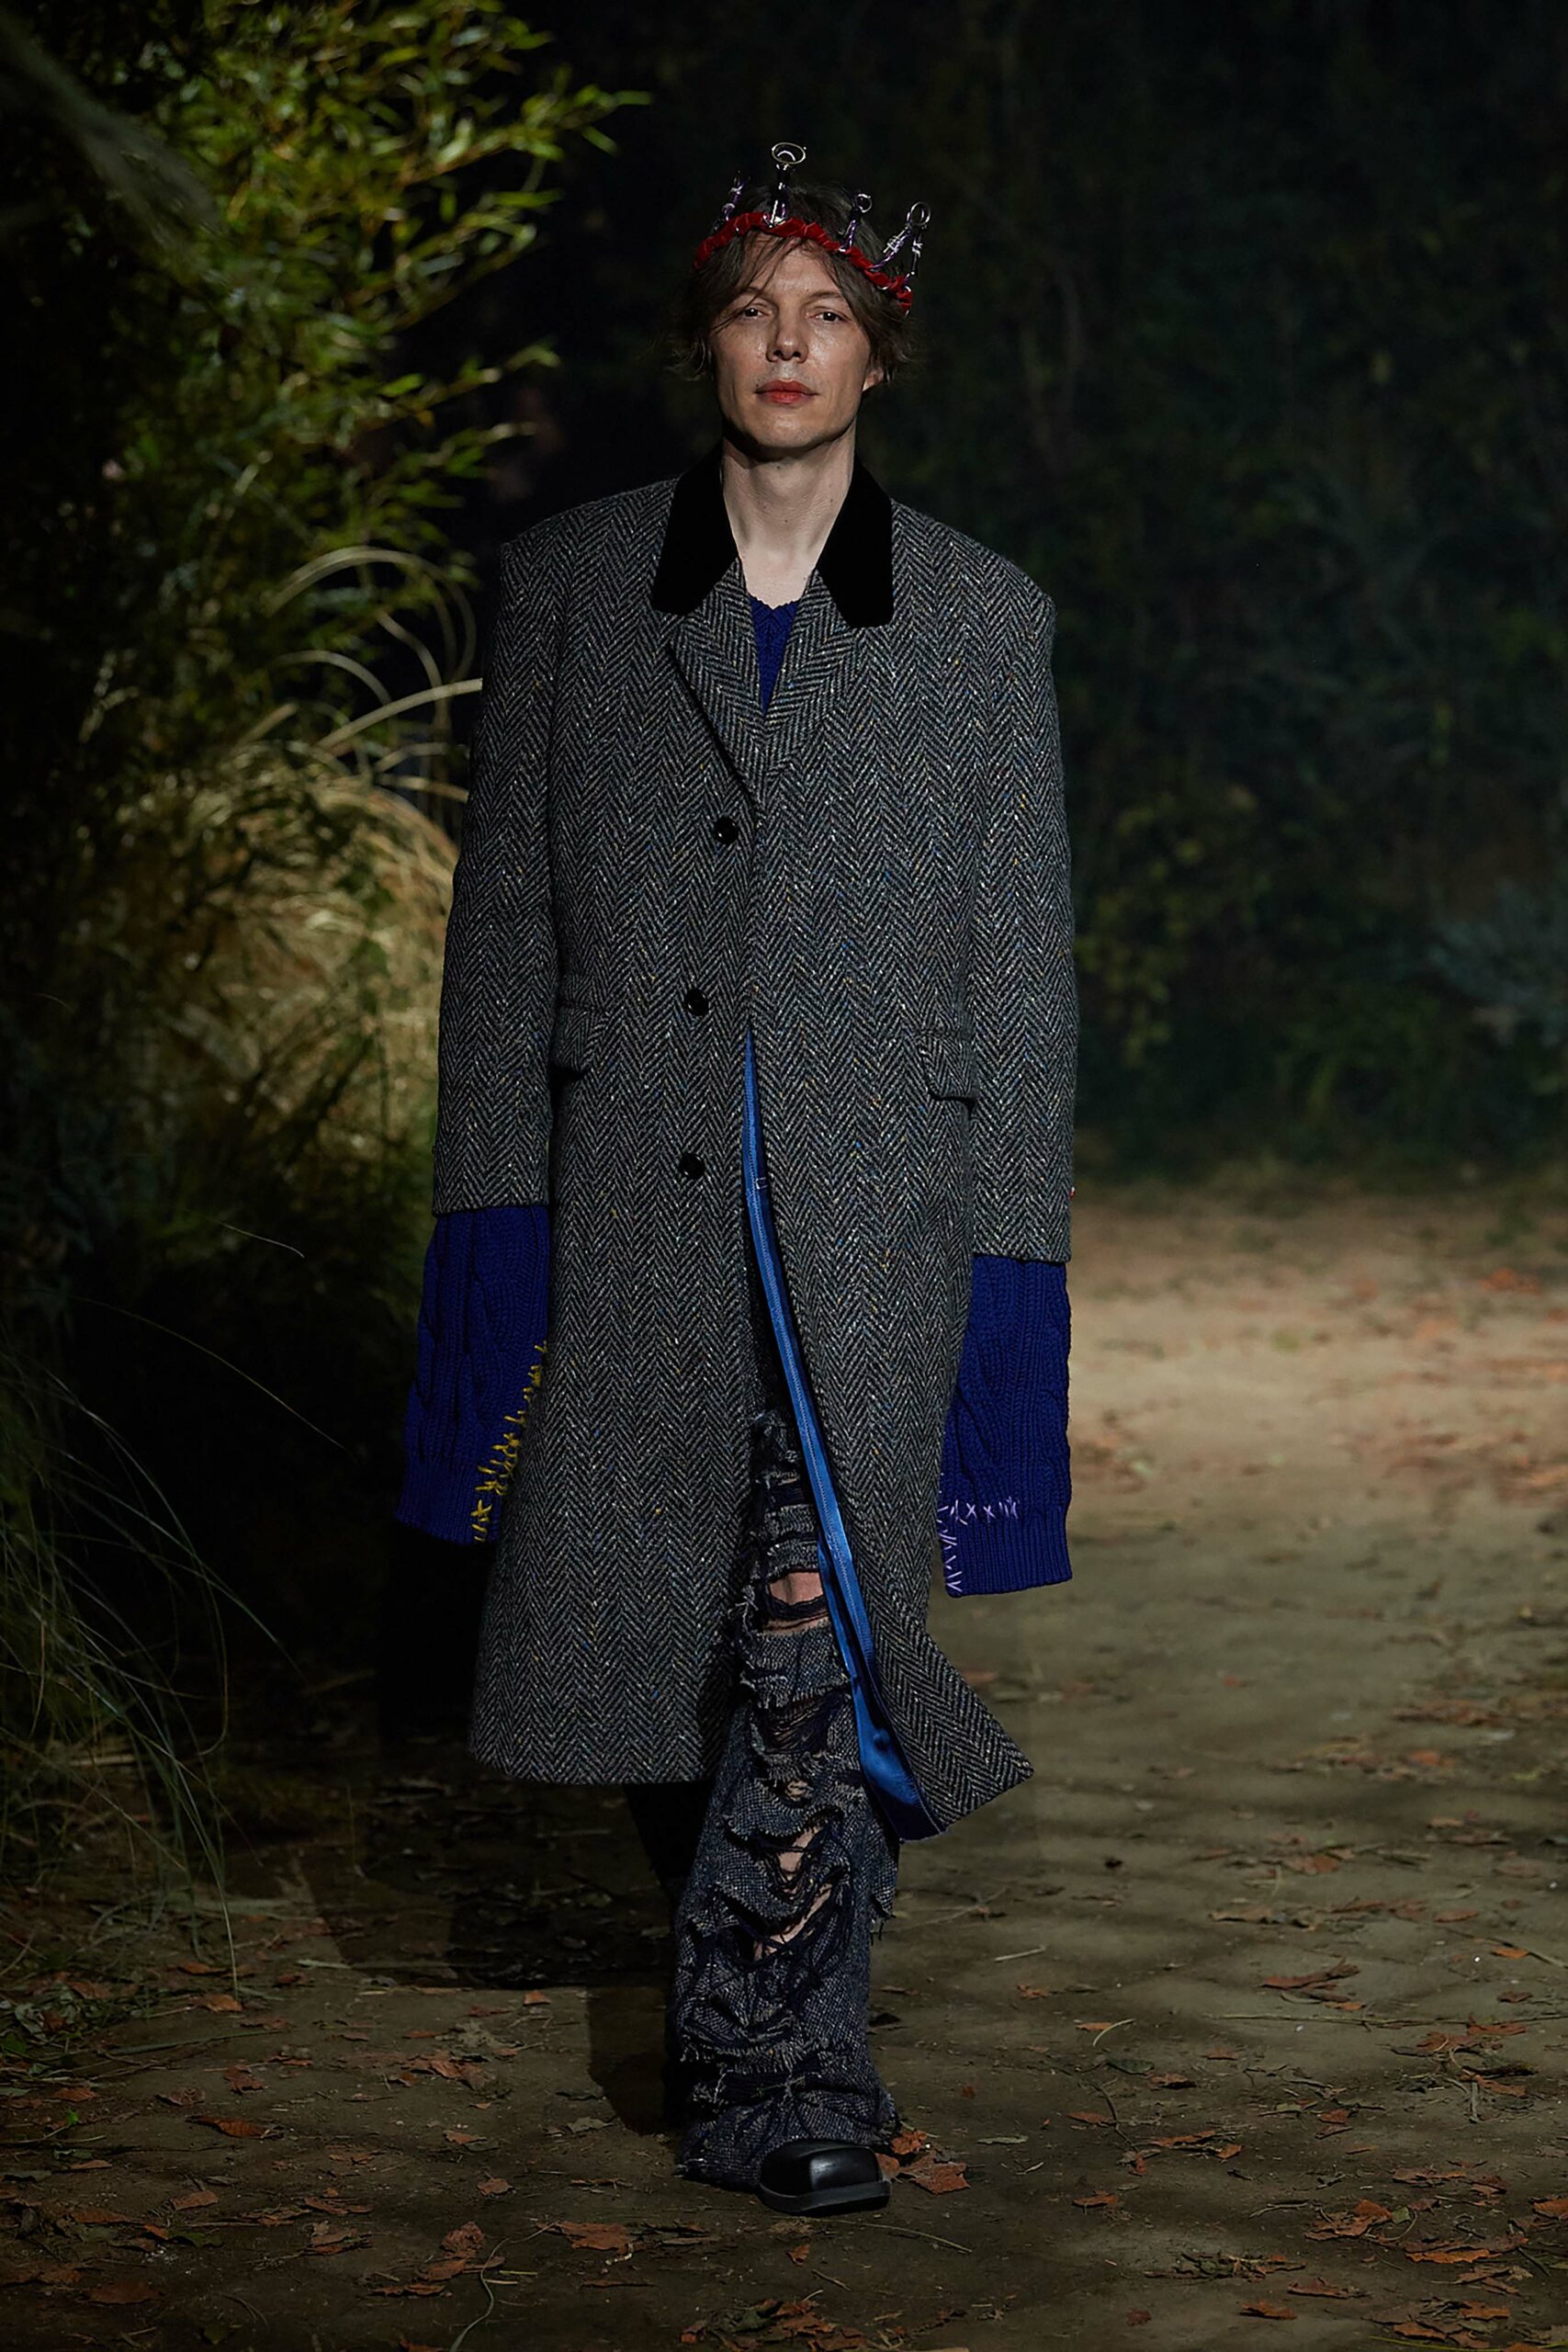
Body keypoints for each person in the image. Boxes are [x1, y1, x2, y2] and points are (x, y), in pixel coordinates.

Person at [397, 141, 1077, 2217]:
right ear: (707, 341)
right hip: (633, 1218)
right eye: (755, 309)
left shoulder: (979, 617)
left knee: (811, 1619)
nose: (789, 346)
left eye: (830, 314)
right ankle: (748, 1947)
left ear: (877, 357)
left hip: (871, 1232)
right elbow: (503, 934)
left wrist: (1012, 1265)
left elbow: (1020, 972)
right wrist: (492, 1217)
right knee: (675, 1652)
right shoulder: (576, 585)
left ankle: (784, 2071)